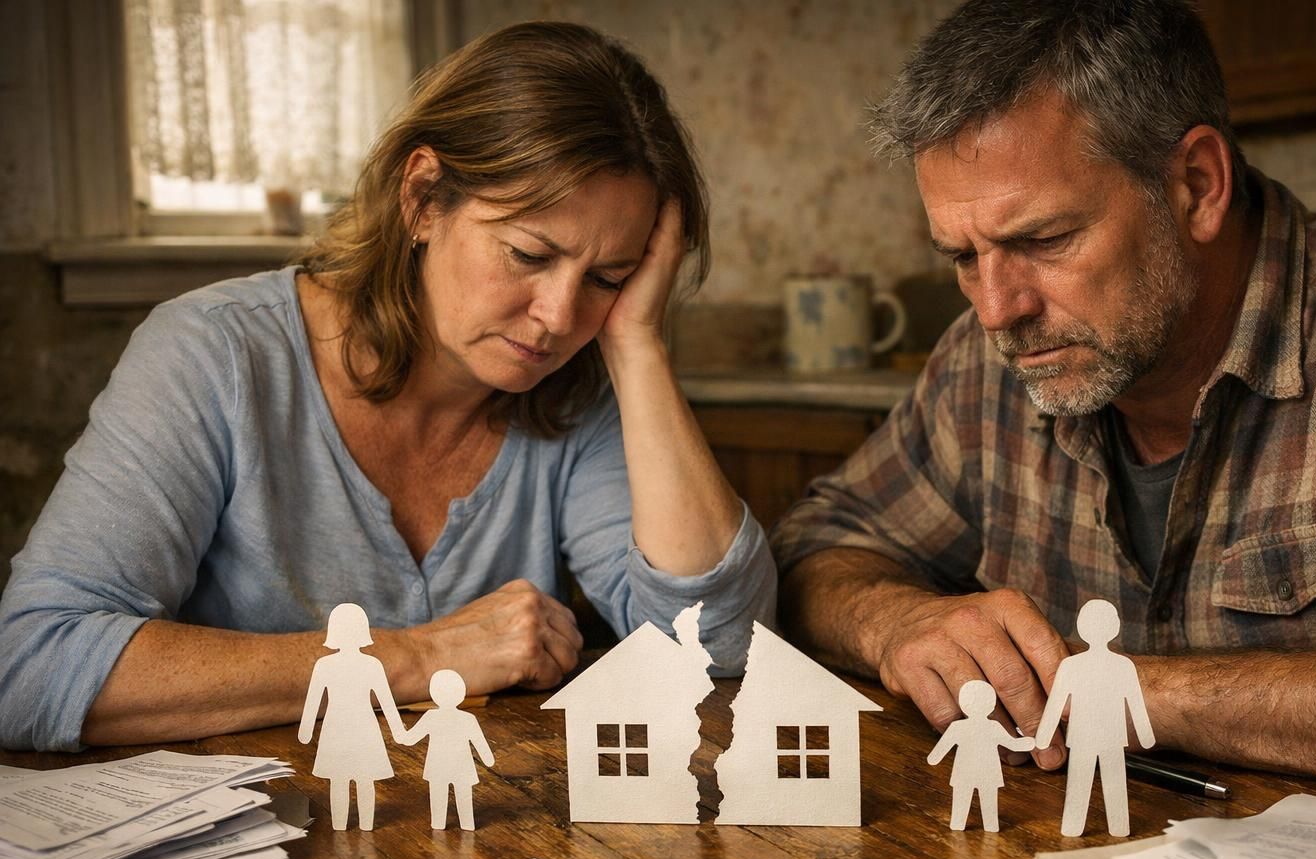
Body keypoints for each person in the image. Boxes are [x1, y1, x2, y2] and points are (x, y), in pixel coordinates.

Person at [772, 0, 1316, 801]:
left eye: (1044, 240)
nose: (997, 309)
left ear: (1197, 186)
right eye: (964, 256)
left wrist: (1117, 691)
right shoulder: (984, 362)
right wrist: (897, 623)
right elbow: (812, 549)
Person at [0, 22, 776, 752]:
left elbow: (717, 646)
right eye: (529, 255)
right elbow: (32, 664)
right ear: (423, 199)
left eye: (607, 277)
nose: (558, 316)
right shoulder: (216, 354)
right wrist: (417, 657)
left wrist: (636, 343)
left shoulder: (579, 389)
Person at [1034, 601, 1154, 837]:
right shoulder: (1121, 665)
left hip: (1088, 737)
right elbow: (1135, 704)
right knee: (1109, 782)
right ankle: (1112, 827)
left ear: (1081, 627)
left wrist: (1044, 734)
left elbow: (1057, 703)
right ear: (1116, 627)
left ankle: (1078, 826)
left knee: (1089, 782)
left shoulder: (1073, 665)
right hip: (1099, 736)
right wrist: (1146, 736)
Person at [297, 604, 409, 831]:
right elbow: (386, 702)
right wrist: (398, 730)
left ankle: (349, 824)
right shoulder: (369, 664)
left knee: (345, 779)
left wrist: (306, 731)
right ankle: (358, 824)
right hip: (358, 727)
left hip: (342, 727)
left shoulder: (327, 665)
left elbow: (386, 700)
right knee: (360, 779)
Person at [926, 678, 1035, 832]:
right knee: (985, 799)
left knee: (963, 799)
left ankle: (961, 823)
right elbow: (1012, 744)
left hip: (966, 772)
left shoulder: (960, 726)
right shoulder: (993, 726)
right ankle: (988, 825)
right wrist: (1027, 743)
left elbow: (942, 747)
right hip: (986, 772)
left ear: (963, 703)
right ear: (992, 704)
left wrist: (934, 757)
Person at [399, 668, 495, 831]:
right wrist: (488, 759)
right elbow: (481, 746)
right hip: (461, 767)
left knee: (438, 797)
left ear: (433, 694)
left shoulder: (431, 716)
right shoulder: (468, 719)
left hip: (438, 768)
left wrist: (400, 730)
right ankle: (466, 824)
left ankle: (439, 823)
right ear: (462, 693)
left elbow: (409, 739)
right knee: (462, 798)